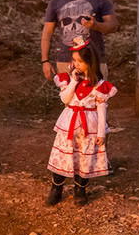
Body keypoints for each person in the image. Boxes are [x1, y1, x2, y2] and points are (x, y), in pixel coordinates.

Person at [46, 39, 117, 206]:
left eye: (80, 61)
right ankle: (56, 188)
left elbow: (102, 109)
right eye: (74, 60)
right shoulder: (68, 79)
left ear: (90, 62)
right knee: (64, 156)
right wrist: (73, 81)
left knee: (84, 158)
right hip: (69, 124)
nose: (76, 64)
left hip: (89, 127)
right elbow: (65, 99)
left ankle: (80, 189)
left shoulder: (99, 85)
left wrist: (101, 133)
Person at [41, 0, 119, 80]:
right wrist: (45, 61)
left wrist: (96, 25)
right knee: (69, 93)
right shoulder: (56, 2)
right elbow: (47, 32)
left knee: (97, 93)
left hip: (94, 63)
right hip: (66, 62)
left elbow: (113, 26)